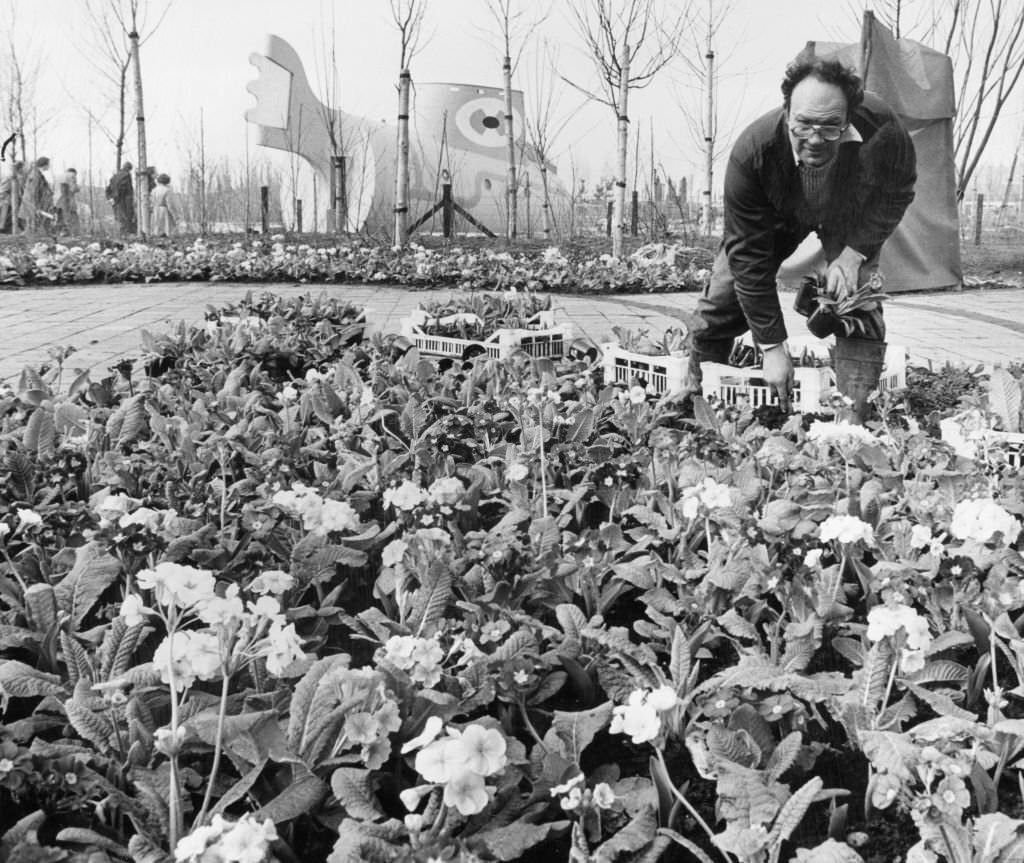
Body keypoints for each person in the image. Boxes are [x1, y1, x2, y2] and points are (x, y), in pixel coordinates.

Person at [689, 56, 916, 421]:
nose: (815, 139)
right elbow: (748, 259)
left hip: (847, 213)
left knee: (857, 296)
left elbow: (897, 192)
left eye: (830, 127)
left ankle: (852, 418)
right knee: (724, 295)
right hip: (777, 216)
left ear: (850, 116)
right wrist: (771, 346)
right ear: (787, 111)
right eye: (804, 124)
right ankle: (701, 403)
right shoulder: (753, 154)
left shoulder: (882, 129)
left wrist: (854, 254)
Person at [19, 156, 55, 235]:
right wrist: (36, 204)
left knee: (34, 222)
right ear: (44, 165)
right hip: (32, 201)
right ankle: (27, 236)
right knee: (32, 221)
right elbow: (33, 190)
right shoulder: (35, 174)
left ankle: (28, 235)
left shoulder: (36, 173)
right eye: (48, 164)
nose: (49, 166)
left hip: (33, 201)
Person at [106, 161, 136, 235]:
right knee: (126, 218)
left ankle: (120, 234)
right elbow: (124, 188)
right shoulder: (126, 175)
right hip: (124, 200)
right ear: (129, 169)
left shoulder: (115, 176)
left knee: (119, 218)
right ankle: (126, 234)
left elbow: (108, 188)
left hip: (115, 200)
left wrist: (110, 198)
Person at [0, 160, 25, 234]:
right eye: (22, 168)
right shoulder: (9, 177)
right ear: (19, 168)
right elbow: (2, 191)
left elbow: (21, 190)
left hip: (16, 200)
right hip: (7, 200)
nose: (23, 170)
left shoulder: (19, 177)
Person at [55, 167, 80, 234]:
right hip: (68, 201)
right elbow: (73, 188)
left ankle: (59, 233)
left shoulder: (60, 177)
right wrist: (78, 187)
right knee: (72, 218)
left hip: (58, 202)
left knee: (60, 218)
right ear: (74, 173)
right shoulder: (72, 176)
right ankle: (73, 233)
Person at [151, 172, 177, 236]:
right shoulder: (167, 190)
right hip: (164, 210)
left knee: (157, 228)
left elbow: (152, 201)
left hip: (155, 210)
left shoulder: (154, 190)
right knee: (165, 229)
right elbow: (170, 204)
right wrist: (174, 215)